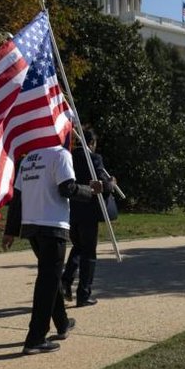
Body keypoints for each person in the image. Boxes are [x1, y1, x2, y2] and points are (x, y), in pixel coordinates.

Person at [2, 144, 103, 355]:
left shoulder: (28, 159)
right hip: (52, 226)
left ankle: (63, 324)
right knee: (47, 281)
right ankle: (35, 338)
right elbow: (67, 188)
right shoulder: (60, 154)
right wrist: (90, 190)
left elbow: (17, 196)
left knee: (51, 277)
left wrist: (10, 230)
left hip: (31, 226)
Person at [61, 129, 116, 307]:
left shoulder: (67, 158)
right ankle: (84, 293)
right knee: (89, 253)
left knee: (78, 247)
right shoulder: (94, 159)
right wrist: (111, 184)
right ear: (91, 143)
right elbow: (101, 184)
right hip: (89, 212)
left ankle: (66, 280)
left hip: (71, 211)